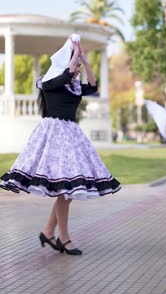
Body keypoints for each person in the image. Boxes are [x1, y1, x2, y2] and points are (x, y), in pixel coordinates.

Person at [0, 35, 121, 255]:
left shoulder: (73, 85)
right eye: (74, 65)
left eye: (77, 67)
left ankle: (48, 232)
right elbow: (63, 75)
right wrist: (72, 56)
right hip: (53, 137)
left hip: (71, 136)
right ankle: (63, 237)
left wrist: (84, 60)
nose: (77, 70)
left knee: (67, 189)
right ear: (64, 63)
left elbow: (94, 87)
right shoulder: (48, 82)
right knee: (65, 190)